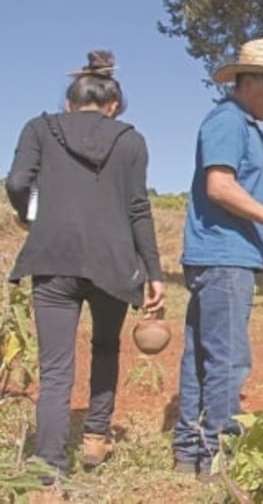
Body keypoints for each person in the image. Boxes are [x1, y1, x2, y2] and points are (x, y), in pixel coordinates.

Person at [5, 50, 166, 481]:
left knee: (56, 366)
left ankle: (49, 465)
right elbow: (138, 208)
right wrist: (154, 272)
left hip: (54, 256)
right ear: (112, 105)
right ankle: (96, 435)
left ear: (69, 102)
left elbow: (18, 181)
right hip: (113, 262)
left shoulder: (39, 128)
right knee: (106, 346)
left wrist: (29, 213)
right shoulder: (130, 140)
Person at [172, 37, 263, 479]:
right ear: (250, 81)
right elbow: (220, 186)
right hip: (224, 257)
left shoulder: (242, 125)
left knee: (202, 355)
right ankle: (219, 457)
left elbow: (237, 189)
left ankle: (189, 452)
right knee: (228, 358)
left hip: (218, 255)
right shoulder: (229, 121)